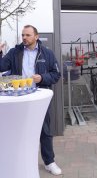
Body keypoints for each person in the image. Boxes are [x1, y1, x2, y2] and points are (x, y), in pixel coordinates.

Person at [0, 25, 62, 176]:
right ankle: (16, 160)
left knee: (44, 130)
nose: (24, 38)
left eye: (28, 35)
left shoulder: (47, 53)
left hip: (39, 96)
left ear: (36, 36)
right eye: (23, 35)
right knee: (17, 130)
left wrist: (42, 78)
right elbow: (1, 67)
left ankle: (49, 162)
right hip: (19, 98)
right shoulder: (14, 52)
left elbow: (56, 74)